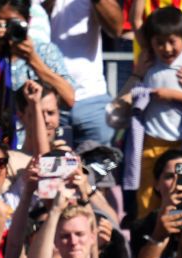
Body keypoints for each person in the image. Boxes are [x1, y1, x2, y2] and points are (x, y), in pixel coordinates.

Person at [0, 0, 75, 142]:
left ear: (28, 21)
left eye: (13, 23)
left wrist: (33, 59)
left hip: (36, 143)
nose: (7, 30)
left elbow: (68, 98)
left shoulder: (45, 51)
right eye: (0, 23)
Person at [136, 7, 182, 212]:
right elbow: (136, 24)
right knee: (147, 198)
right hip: (152, 141)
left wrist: (171, 95)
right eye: (160, 43)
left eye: (172, 42)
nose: (166, 49)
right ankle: (148, 230)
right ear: (151, 42)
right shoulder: (150, 57)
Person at [48, 0, 122, 149]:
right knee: (47, 162)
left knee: (100, 163)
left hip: (91, 100)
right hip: (49, 101)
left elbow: (116, 29)